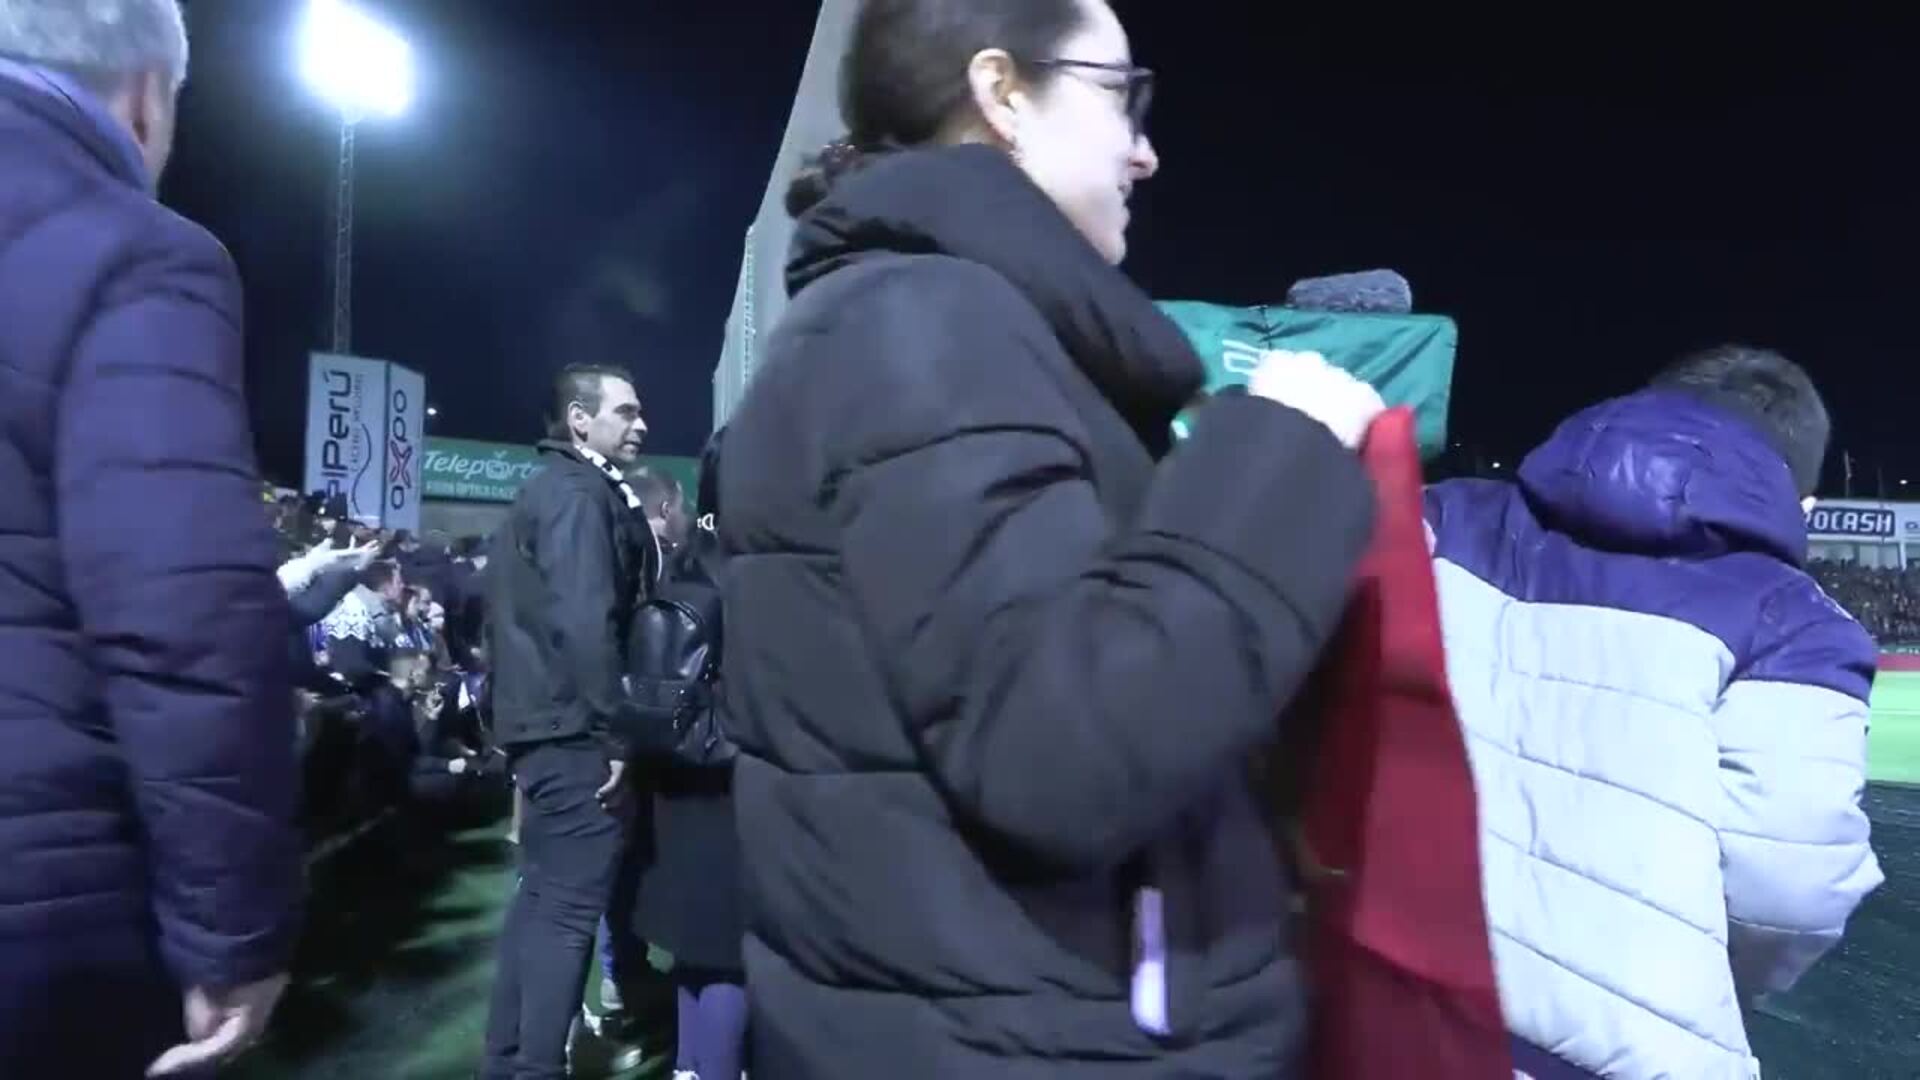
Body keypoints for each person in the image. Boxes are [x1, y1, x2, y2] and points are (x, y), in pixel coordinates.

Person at [718, 0, 1385, 1075]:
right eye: (1123, 94)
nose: (1146, 148)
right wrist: (1284, 458)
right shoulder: (931, 324)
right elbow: (1061, 750)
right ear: (1002, 92)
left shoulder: (923, 317)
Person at [1424, 345, 1884, 1079]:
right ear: (1804, 505)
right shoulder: (1799, 622)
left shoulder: (1441, 515)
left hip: (1377, 1010)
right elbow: (1788, 892)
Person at [0, 1, 301, 1076]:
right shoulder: (127, 252)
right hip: (43, 906)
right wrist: (234, 933)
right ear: (145, 93)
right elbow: (182, 614)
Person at [482, 363, 660, 1080]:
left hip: (545, 725)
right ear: (580, 420)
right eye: (626, 410)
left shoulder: (553, 489)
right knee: (563, 916)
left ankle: (507, 1065)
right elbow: (588, 622)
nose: (641, 423)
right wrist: (616, 733)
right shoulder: (578, 494)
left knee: (540, 908)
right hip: (573, 733)